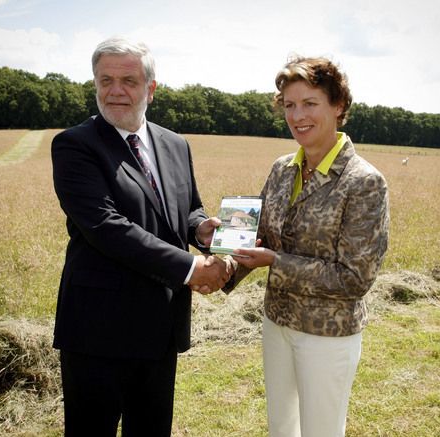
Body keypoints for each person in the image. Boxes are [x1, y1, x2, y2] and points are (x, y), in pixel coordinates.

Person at [51, 36, 231, 436]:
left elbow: (186, 209)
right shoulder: (74, 146)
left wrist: (200, 229)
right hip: (98, 332)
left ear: (150, 87)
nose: (115, 91)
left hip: (160, 328)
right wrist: (191, 267)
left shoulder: (175, 144)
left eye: (128, 80)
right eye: (105, 80)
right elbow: (106, 227)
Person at [224, 56, 390, 437]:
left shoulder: (364, 182)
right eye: (289, 105)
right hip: (277, 321)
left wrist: (275, 261)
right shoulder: (282, 167)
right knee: (282, 427)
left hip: (327, 332)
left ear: (338, 106)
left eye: (310, 103)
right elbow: (258, 236)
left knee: (321, 431)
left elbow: (354, 278)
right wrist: (223, 263)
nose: (297, 115)